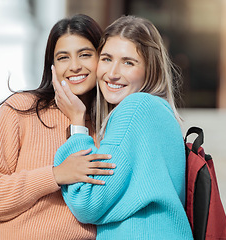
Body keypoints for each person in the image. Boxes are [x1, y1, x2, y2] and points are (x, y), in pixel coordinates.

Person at [0, 14, 116, 240]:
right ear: (52, 66)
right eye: (63, 57)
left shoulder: (110, 123)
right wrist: (54, 175)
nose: (75, 66)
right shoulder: (21, 110)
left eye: (85, 54)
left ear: (101, 59)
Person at [53, 15, 194, 239]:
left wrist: (78, 123)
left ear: (150, 69)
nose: (112, 73)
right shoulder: (159, 110)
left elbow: (88, 203)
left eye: (128, 62)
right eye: (107, 59)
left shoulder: (134, 109)